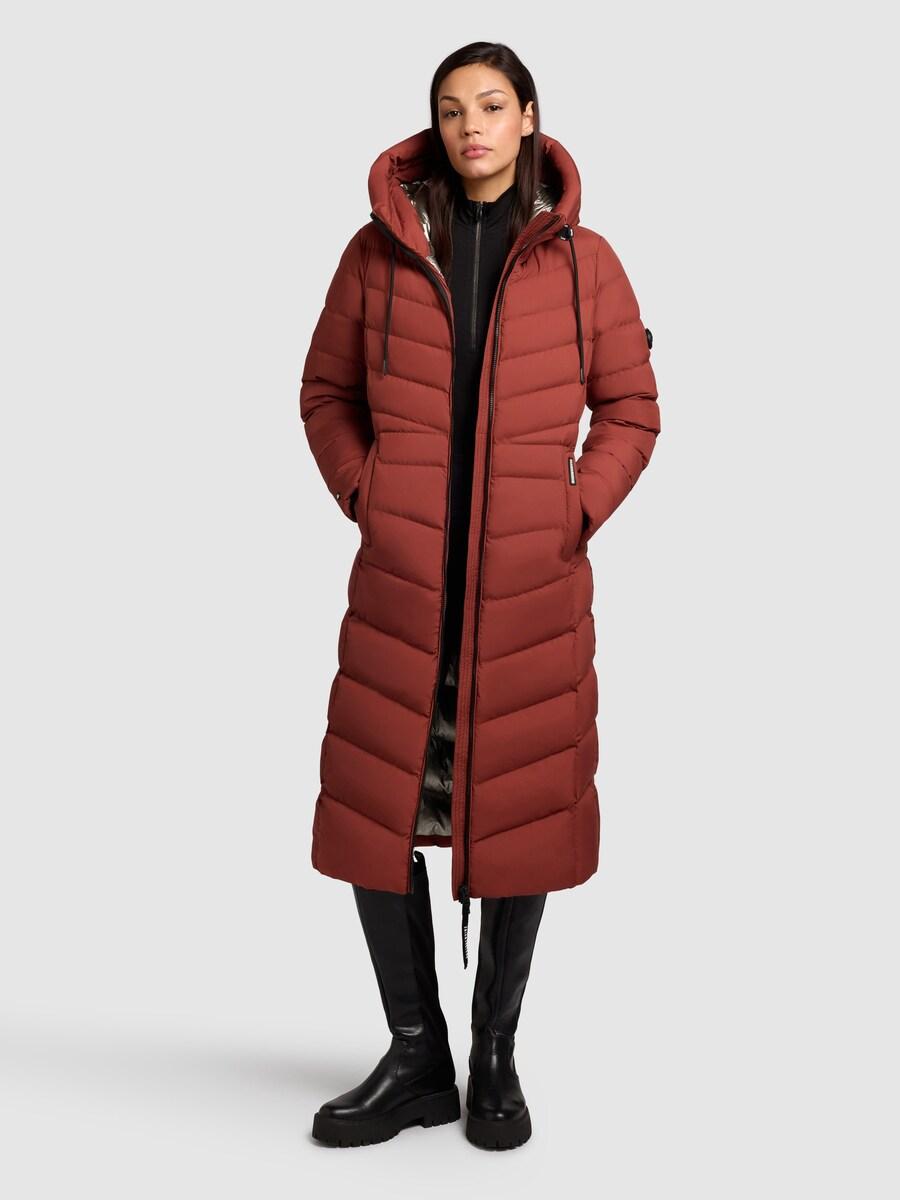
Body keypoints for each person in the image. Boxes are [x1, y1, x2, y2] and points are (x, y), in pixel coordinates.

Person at [299, 41, 661, 1150]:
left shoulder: (584, 263)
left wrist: (572, 513)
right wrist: (367, 494)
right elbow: (324, 392)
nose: (472, 127)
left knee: (519, 814)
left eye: (492, 106)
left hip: (527, 592)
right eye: (453, 110)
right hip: (406, 585)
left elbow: (632, 409)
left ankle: (494, 1057)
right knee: (375, 811)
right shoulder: (378, 252)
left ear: (528, 118)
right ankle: (418, 1056)